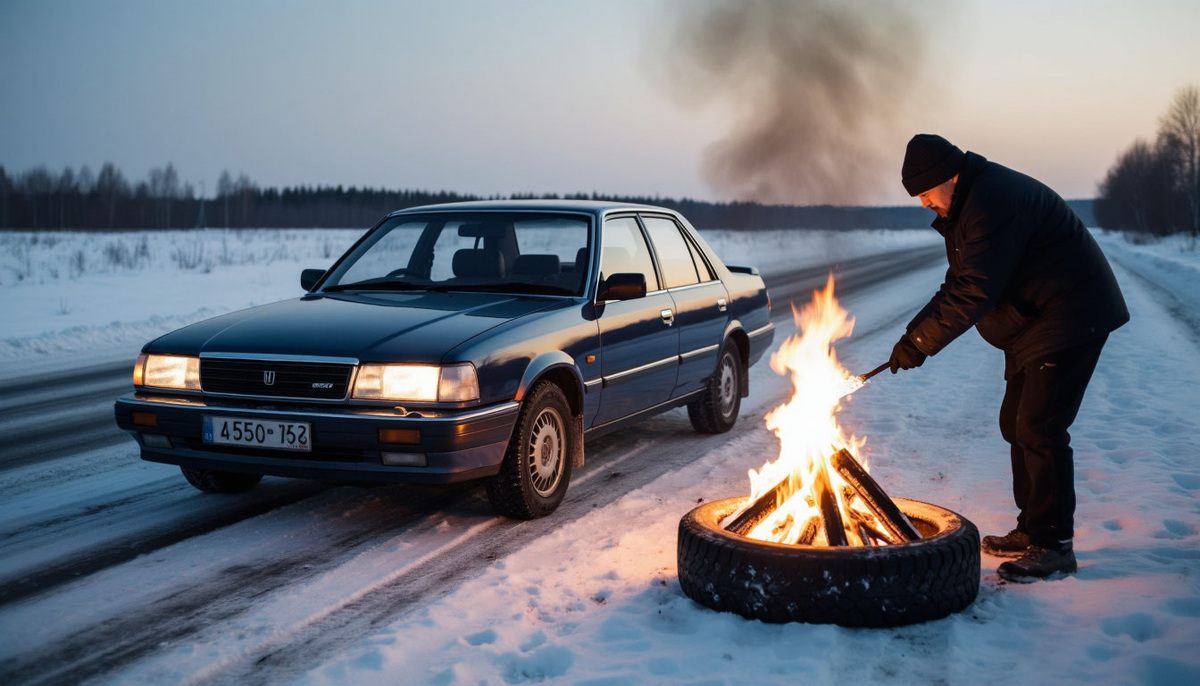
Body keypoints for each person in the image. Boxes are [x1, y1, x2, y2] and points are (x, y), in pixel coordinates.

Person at [889, 134, 1129, 582]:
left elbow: (976, 290)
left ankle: (1054, 545)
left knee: (1039, 426)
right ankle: (1032, 529)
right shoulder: (969, 203)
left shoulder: (991, 202)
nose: (923, 203)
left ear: (948, 178)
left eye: (924, 192)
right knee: (1014, 422)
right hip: (1038, 321)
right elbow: (959, 282)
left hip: (1070, 315)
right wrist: (911, 338)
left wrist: (920, 344)